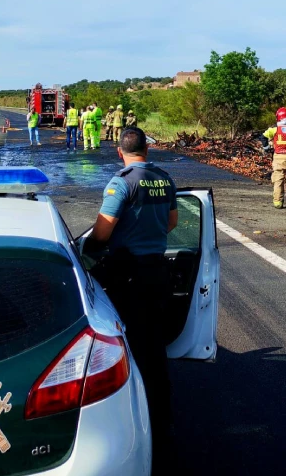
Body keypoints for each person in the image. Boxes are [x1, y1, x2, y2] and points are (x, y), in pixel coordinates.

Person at [85, 127, 177, 471]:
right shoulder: (164, 180)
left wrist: (91, 249)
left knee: (125, 349)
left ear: (119, 151)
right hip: (157, 272)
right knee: (154, 347)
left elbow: (103, 231)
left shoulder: (121, 182)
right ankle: (162, 417)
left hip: (127, 274)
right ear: (147, 151)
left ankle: (135, 422)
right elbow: (172, 222)